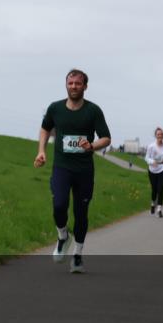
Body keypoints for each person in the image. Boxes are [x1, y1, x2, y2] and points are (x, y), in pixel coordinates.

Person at [34, 69, 112, 274]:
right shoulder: (55, 108)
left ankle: (77, 255)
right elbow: (44, 128)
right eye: (70, 83)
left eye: (78, 83)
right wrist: (41, 151)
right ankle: (62, 236)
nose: (74, 87)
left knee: (81, 213)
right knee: (59, 204)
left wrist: (92, 146)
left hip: (84, 170)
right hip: (62, 166)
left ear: (85, 86)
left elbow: (106, 137)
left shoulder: (93, 111)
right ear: (66, 85)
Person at [145, 128, 163, 217]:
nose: (160, 136)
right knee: (154, 189)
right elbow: (146, 158)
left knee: (160, 189)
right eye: (158, 134)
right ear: (156, 136)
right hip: (153, 169)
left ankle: (159, 209)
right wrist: (152, 162)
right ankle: (153, 203)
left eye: (161, 134)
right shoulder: (151, 146)